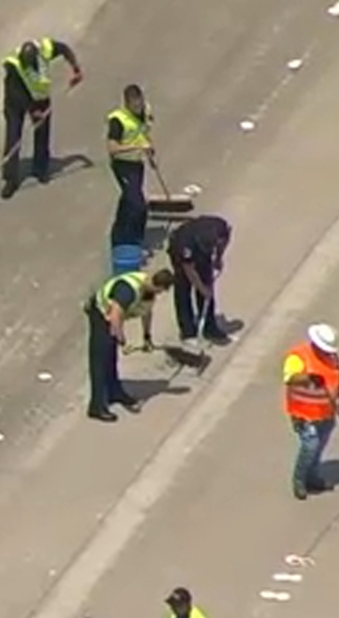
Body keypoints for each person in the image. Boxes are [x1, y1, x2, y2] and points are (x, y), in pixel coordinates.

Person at [84, 268, 176, 422]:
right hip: (101, 313)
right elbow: (114, 316)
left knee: (111, 357)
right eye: (160, 291)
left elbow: (146, 312)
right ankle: (97, 406)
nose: (159, 294)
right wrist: (122, 341)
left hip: (113, 317)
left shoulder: (148, 290)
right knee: (100, 359)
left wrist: (146, 336)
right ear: (157, 285)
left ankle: (114, 392)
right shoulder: (127, 290)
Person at [0, 38, 84, 197]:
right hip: (16, 102)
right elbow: (16, 94)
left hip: (40, 97)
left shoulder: (45, 49)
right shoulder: (13, 66)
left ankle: (40, 169)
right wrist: (31, 110)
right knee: (13, 137)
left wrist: (75, 68)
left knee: (43, 131)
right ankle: (10, 179)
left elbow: (64, 49)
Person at [283, 323, 339, 500]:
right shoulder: (299, 356)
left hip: (326, 412)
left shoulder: (333, 358)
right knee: (310, 445)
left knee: (319, 446)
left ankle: (312, 477)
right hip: (304, 413)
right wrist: (308, 378)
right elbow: (290, 379)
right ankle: (299, 480)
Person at [167, 214, 233, 344]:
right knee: (183, 288)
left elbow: (226, 238)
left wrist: (218, 257)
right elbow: (189, 270)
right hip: (179, 251)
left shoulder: (220, 227)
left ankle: (209, 327)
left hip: (198, 251)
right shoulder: (186, 245)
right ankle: (187, 331)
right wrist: (202, 289)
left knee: (207, 282)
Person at [107, 84, 155, 248]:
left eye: (140, 104)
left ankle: (118, 233)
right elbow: (112, 149)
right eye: (134, 106)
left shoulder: (146, 111)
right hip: (122, 165)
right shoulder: (117, 120)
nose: (138, 108)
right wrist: (138, 147)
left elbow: (145, 132)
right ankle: (134, 239)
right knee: (139, 206)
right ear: (127, 104)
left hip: (137, 164)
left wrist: (150, 152)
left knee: (129, 199)